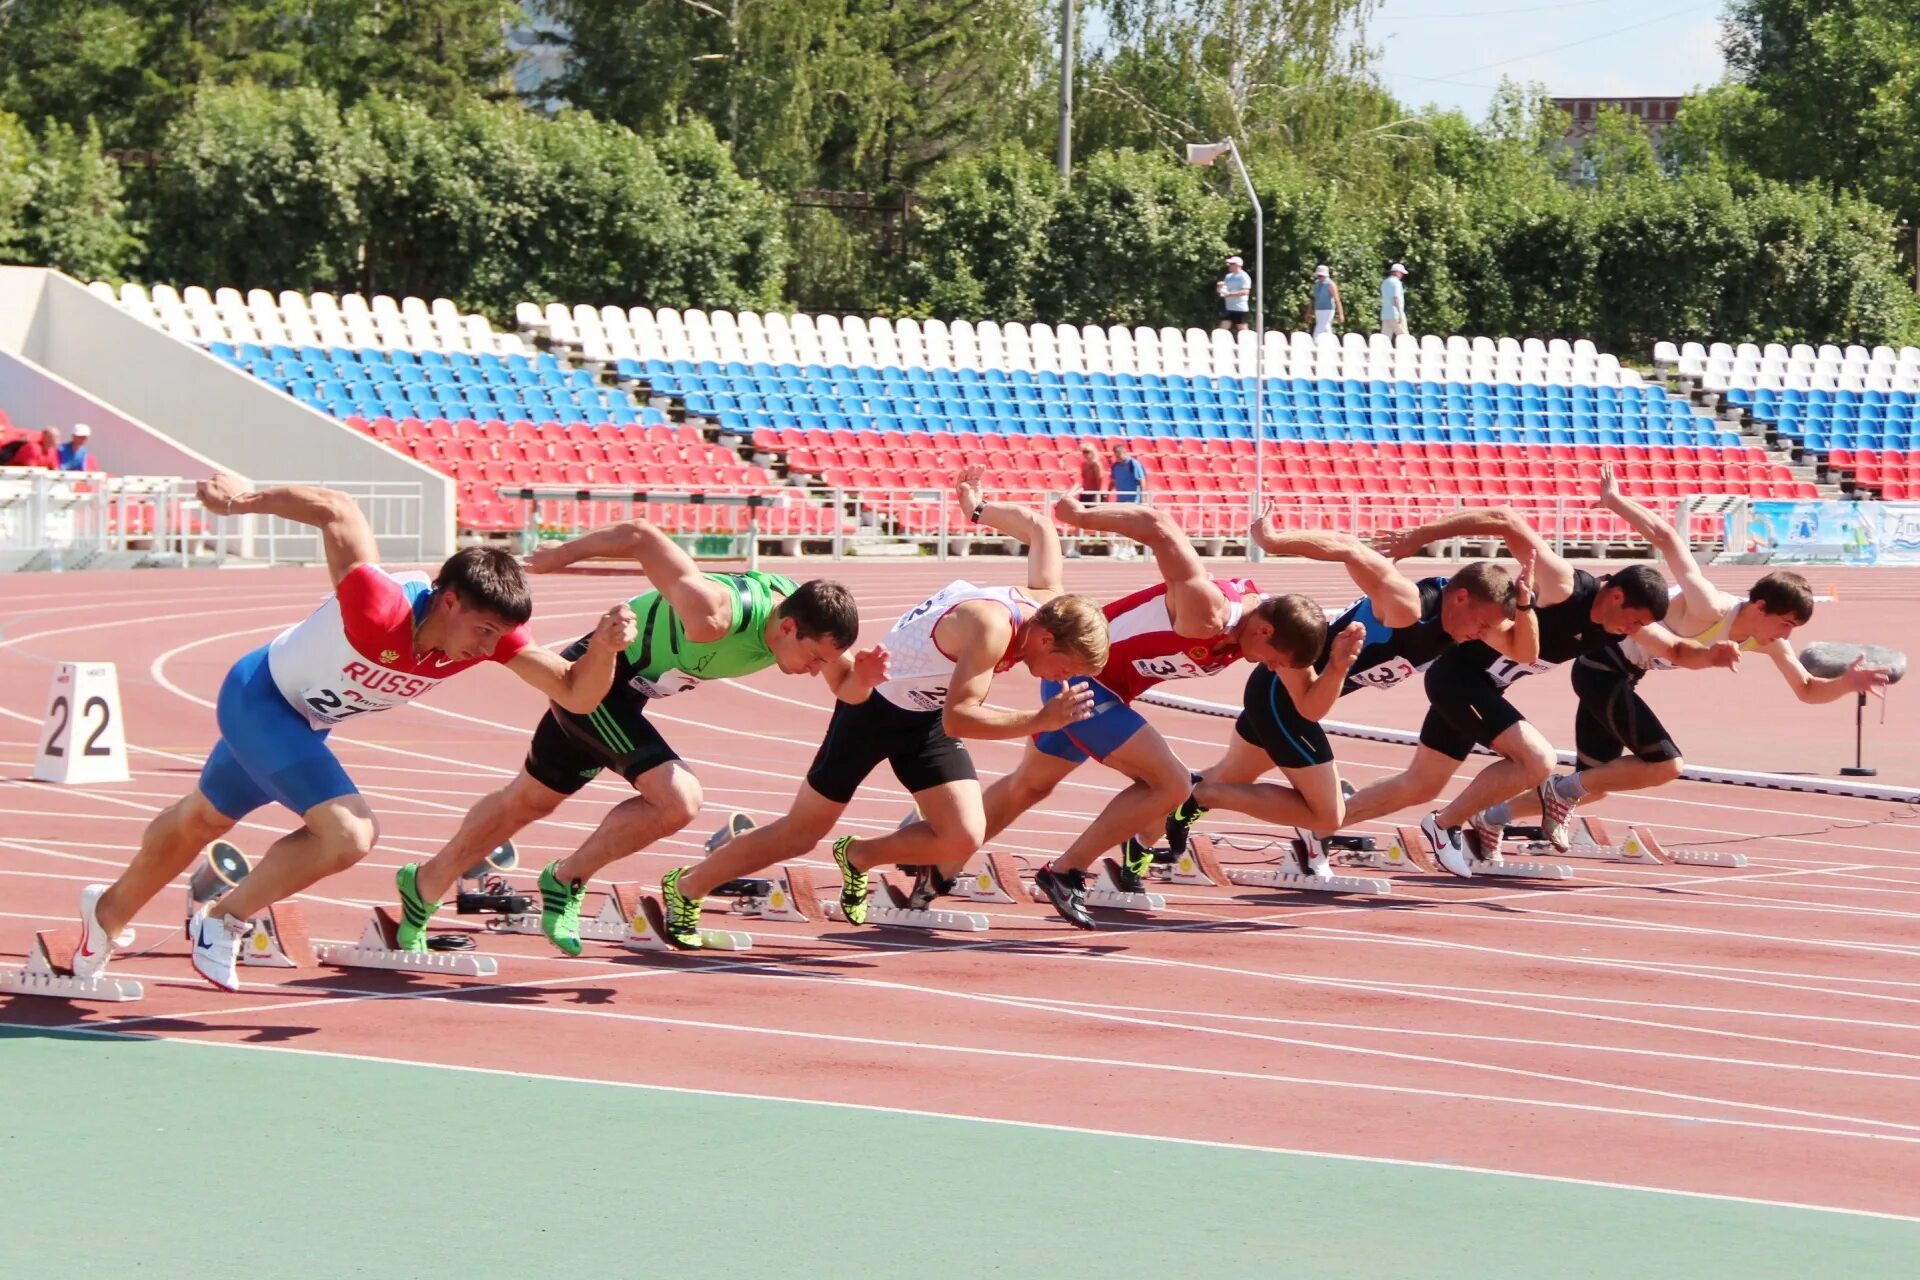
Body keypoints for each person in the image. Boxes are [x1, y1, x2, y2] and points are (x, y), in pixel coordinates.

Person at [70, 476, 636, 991]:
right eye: (483, 631)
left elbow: (576, 692)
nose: (487, 650)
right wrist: (240, 500)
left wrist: (605, 650)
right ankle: (223, 919)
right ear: (449, 600)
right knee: (348, 835)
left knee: (202, 820)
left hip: (305, 724)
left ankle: (105, 915)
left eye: (499, 637)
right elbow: (336, 508)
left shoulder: (494, 640)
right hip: (259, 699)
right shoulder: (377, 605)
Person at [655, 466, 1110, 946]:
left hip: (924, 717)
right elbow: (962, 716)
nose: (1068, 678)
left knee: (961, 836)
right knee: (800, 833)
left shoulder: (1051, 602)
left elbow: (1040, 529)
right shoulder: (991, 628)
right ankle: (687, 886)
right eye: (1068, 666)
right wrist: (1038, 721)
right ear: (1044, 637)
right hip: (872, 709)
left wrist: (977, 508)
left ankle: (858, 856)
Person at [389, 517, 868, 955]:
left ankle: (425, 884)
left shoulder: (805, 624)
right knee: (678, 798)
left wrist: (871, 677)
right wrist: (562, 555)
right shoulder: (714, 615)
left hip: (626, 697)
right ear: (787, 626)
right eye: (816, 660)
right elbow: (641, 536)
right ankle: (567, 879)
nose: (816, 672)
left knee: (528, 800)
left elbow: (847, 686)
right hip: (595, 675)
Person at [922, 496, 1343, 929]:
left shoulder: (1274, 630)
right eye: (1272, 660)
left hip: (1103, 691)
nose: (1269, 668)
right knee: (1172, 784)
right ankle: (1066, 871)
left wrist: (1340, 667)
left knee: (1029, 786)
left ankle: (936, 864)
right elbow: (1158, 524)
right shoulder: (1208, 610)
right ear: (1265, 630)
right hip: (1081, 679)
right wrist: (1083, 517)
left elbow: (1308, 703)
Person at [1473, 464, 1893, 842]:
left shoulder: (1768, 641)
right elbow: (1668, 539)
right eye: (1786, 623)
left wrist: (1844, 684)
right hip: (1604, 665)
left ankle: (1491, 816)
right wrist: (1615, 501)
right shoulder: (1710, 605)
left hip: (1620, 677)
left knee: (1597, 783)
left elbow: (1805, 688)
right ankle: (1555, 795)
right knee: (1663, 765)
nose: (1787, 635)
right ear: (1761, 608)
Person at [1364, 505, 1740, 875]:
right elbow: (1505, 519)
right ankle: (1445, 826)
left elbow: (1675, 650)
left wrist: (1710, 656)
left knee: (1419, 784)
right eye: (1635, 620)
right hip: (1459, 677)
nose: (1634, 631)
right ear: (1616, 596)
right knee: (1537, 760)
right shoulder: (1562, 585)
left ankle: (1321, 824)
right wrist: (1420, 536)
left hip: (1485, 689)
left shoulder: (1618, 623)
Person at [1168, 521, 1533, 876]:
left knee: (1230, 775)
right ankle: (1202, 798)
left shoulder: (1462, 624)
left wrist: (1525, 606)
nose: (1483, 635)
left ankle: (1147, 836)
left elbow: (1523, 652)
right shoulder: (1406, 605)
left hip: (1285, 693)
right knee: (1327, 816)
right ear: (1461, 597)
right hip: (1285, 696)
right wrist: (1277, 542)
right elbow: (1350, 548)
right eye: (1482, 625)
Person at [1306, 265, 1344, 338]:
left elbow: (1337, 300)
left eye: (1321, 275)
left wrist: (1341, 314)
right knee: (1325, 328)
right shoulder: (1316, 284)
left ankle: (1315, 341)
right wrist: (1308, 312)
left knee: (1321, 327)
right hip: (1318, 309)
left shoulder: (1330, 284)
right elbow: (1313, 298)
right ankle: (1330, 342)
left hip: (1328, 310)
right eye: (1319, 275)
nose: (1320, 277)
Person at [1217, 254, 1252, 332]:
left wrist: (1230, 294)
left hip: (1240, 308)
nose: (1229, 265)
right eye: (1229, 264)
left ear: (1238, 265)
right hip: (1228, 307)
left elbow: (1246, 291)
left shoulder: (1244, 276)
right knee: (1222, 329)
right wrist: (1219, 287)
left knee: (1243, 330)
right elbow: (1222, 291)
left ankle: (1249, 343)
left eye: (1231, 264)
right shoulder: (1228, 276)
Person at [1379, 264, 1408, 338]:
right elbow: (1396, 299)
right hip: (1395, 314)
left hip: (1385, 314)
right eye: (1401, 273)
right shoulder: (1396, 282)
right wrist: (1400, 314)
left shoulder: (1384, 282)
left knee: (1385, 338)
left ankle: (1382, 349)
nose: (1402, 275)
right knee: (1404, 337)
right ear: (1397, 272)